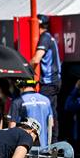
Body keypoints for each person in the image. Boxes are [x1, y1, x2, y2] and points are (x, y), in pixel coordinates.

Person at [29, 14, 62, 142]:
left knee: (45, 110)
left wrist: (25, 69)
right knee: (50, 111)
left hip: (49, 81)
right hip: (53, 80)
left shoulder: (45, 38)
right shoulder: (49, 37)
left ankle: (51, 142)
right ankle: (51, 141)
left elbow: (36, 59)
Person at [8, 79, 54, 147]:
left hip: (25, 147)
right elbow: (51, 124)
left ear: (22, 87)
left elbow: (12, 127)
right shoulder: (46, 100)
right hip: (44, 147)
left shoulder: (17, 101)